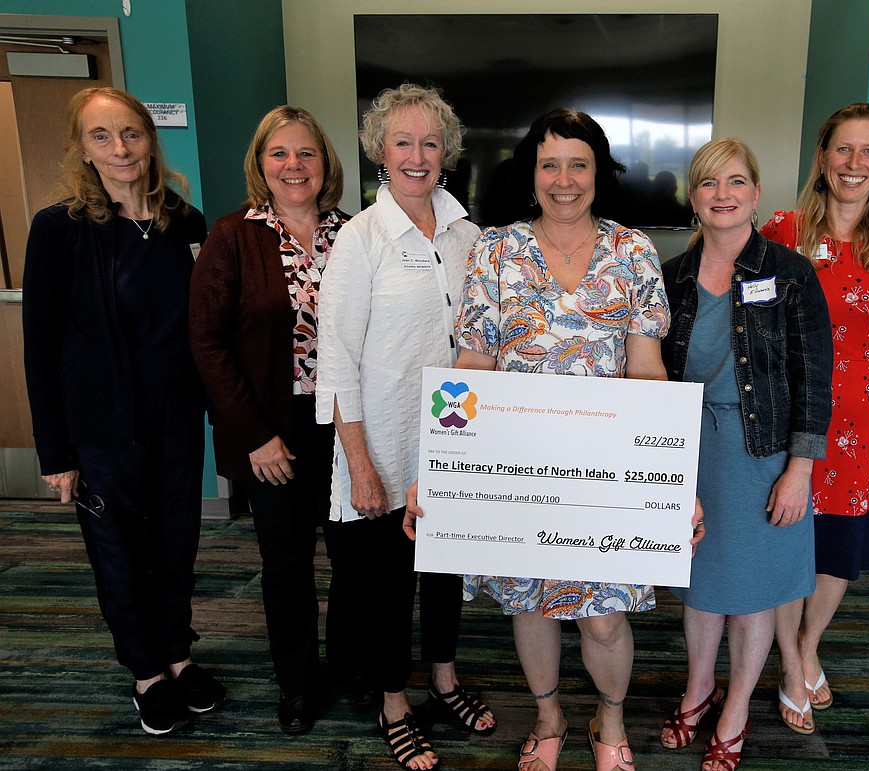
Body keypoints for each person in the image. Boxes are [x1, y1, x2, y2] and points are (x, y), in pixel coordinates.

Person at [405, 107, 702, 771]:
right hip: (519, 474)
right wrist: (441, 468)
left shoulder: (632, 253)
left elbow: (648, 369)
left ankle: (610, 718)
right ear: (530, 174)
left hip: (608, 477)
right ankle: (548, 715)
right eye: (550, 164)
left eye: (578, 164)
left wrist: (675, 484)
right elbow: (473, 368)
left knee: (602, 617)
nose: (564, 179)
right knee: (533, 606)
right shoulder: (497, 251)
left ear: (599, 172)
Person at [22, 87, 224, 735]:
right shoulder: (59, 229)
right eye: (102, 136)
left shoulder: (184, 222)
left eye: (131, 133)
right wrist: (55, 453)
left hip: (174, 423)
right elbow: (39, 345)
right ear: (82, 148)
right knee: (118, 551)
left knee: (176, 544)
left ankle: (177, 653)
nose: (120, 148)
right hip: (100, 431)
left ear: (150, 139)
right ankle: (144, 672)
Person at [314, 83, 495, 771]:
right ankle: (395, 702)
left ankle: (443, 679)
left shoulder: (469, 236)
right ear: (379, 152)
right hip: (382, 447)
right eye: (402, 142)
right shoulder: (360, 239)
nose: (417, 155)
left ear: (445, 152)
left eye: (429, 142)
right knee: (386, 586)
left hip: (452, 444)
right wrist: (359, 463)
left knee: (444, 572)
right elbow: (335, 365)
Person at [659, 138, 832, 770]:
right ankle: (699, 688)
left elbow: (816, 380)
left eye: (737, 182)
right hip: (688, 453)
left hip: (763, 455)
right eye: (709, 183)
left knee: (754, 593)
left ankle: (735, 710)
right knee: (701, 584)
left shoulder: (790, 273)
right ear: (694, 198)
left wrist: (799, 472)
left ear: (757, 195)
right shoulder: (671, 275)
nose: (723, 194)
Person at [759, 103, 869, 726]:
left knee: (836, 551)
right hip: (785, 417)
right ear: (822, 159)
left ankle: (808, 647)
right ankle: (784, 657)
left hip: (862, 420)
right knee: (784, 541)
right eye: (842, 150)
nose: (854, 164)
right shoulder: (782, 231)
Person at [188, 105, 346, 735]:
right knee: (287, 564)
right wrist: (253, 434)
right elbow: (206, 341)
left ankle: (351, 670)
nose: (293, 165)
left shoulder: (356, 232)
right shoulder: (234, 235)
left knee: (353, 560)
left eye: (306, 153)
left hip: (346, 427)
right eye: (279, 153)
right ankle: (299, 684)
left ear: (325, 163)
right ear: (260, 164)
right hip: (270, 430)